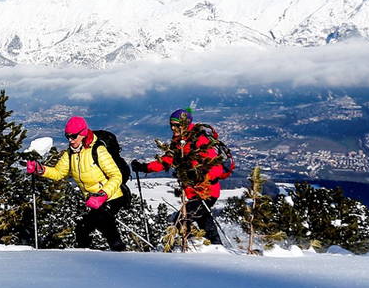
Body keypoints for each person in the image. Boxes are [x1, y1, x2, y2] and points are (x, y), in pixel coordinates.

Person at [26, 116, 128, 251]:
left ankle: (118, 254)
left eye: (73, 136)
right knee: (85, 228)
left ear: (83, 133)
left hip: (112, 196)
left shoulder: (98, 150)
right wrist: (41, 170)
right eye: (67, 136)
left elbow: (116, 176)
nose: (70, 140)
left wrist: (102, 194)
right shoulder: (71, 153)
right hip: (93, 199)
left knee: (97, 223)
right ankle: (95, 255)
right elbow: (58, 173)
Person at [131, 108, 230, 245]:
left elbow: (215, 165)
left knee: (182, 219)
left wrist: (199, 176)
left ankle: (178, 247)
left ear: (185, 123)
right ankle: (216, 247)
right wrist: (145, 167)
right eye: (171, 124)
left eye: (177, 125)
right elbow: (168, 160)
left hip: (206, 191)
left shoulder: (199, 139)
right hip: (193, 191)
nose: (173, 128)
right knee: (203, 221)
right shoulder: (178, 141)